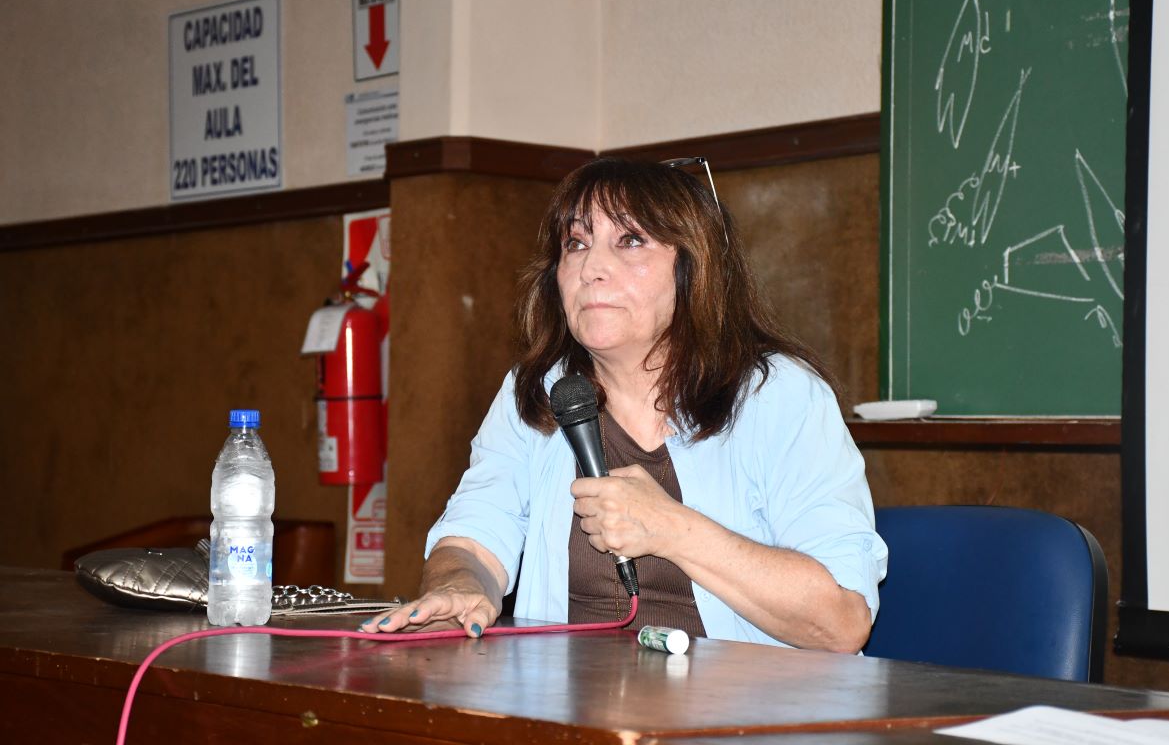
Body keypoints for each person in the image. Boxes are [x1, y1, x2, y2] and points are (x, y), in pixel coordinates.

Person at [362, 157, 887, 651]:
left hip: (740, 707)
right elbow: (473, 537)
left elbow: (841, 623)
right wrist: (458, 585)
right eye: (576, 243)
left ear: (693, 268)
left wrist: (671, 528)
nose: (591, 267)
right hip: (562, 703)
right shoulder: (538, 388)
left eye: (630, 240)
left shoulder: (778, 394)